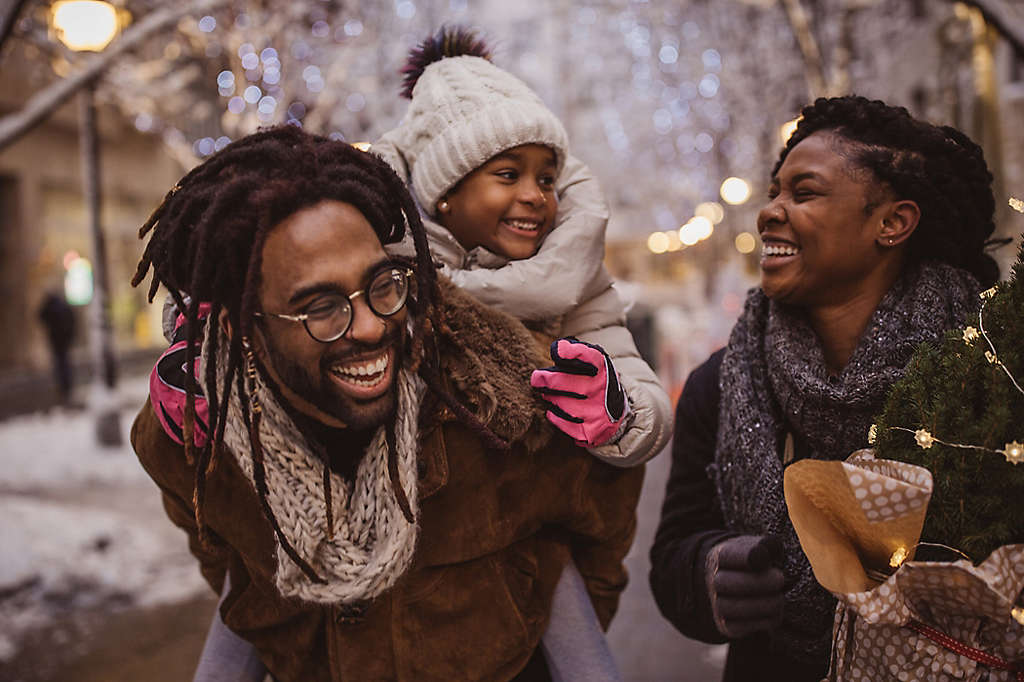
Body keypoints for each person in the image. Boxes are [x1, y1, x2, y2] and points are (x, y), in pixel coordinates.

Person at [130, 125, 642, 681]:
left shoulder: (500, 405)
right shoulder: (192, 441)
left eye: (382, 284)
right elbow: (225, 558)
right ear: (243, 327)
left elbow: (601, 532)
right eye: (321, 306)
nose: (374, 326)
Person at [648, 95, 1002, 681]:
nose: (770, 213)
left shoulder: (988, 371)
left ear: (891, 223)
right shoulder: (723, 382)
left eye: (803, 192)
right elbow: (671, 555)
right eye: (774, 193)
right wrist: (709, 570)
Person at [373, 26, 671, 468]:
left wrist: (621, 412)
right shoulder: (382, 273)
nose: (536, 196)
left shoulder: (574, 275)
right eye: (509, 175)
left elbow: (644, 392)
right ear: (446, 192)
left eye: (547, 179)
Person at [38, 289, 76, 404]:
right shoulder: (63, 306)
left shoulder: (50, 306)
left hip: (55, 339)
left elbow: (40, 315)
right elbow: (72, 319)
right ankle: (66, 385)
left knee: (60, 363)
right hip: (63, 340)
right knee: (64, 362)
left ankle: (63, 386)